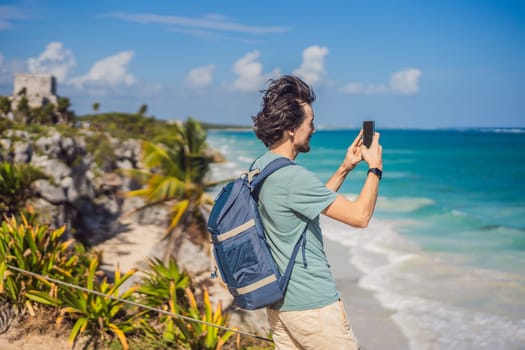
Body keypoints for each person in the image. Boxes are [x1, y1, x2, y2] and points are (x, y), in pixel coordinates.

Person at [251, 75, 382, 350]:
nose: (314, 129)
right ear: (291, 128)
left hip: (279, 305)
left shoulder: (261, 167)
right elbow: (360, 217)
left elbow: (307, 208)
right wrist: (374, 168)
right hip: (313, 308)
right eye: (310, 123)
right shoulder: (292, 177)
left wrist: (346, 167)